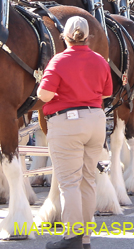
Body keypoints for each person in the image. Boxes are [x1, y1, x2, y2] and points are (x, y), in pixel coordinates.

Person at [38, 16, 112, 249]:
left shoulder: (59, 61)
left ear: (65, 37)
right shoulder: (100, 60)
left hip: (67, 123)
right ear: (89, 37)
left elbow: (45, 95)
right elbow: (107, 93)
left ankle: (72, 237)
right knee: (88, 181)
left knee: (69, 183)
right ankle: (86, 238)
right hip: (96, 120)